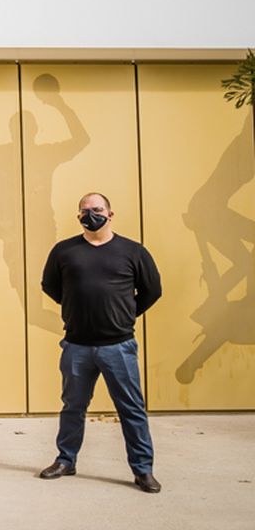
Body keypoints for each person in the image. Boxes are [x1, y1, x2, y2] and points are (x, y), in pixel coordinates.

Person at [38, 192, 164, 493]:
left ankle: (143, 470)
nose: (90, 214)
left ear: (110, 213)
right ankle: (66, 460)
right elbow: (51, 286)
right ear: (78, 216)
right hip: (77, 346)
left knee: (131, 409)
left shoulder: (133, 251)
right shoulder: (64, 251)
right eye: (84, 210)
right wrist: (75, 306)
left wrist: (124, 313)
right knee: (72, 406)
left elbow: (152, 290)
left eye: (96, 209)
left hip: (118, 346)